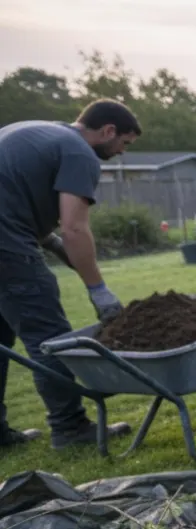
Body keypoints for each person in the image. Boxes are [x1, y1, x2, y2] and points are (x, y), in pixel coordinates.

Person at [0, 99, 139, 450]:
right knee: (49, 337)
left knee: (1, 339)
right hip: (7, 248)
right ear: (108, 131)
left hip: (10, 237)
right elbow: (75, 228)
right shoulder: (79, 153)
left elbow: (34, 218)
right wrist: (99, 291)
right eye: (124, 142)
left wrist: (62, 251)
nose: (121, 151)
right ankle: (70, 428)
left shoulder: (35, 132)